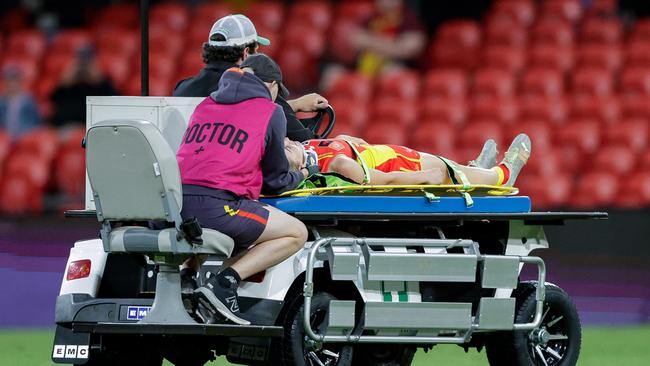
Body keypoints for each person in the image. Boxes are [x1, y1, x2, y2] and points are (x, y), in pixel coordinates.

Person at [176, 55, 318, 325]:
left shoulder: (206, 103)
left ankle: (186, 277)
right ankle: (224, 284)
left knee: (208, 220)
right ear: (273, 85)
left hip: (175, 204)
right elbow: (275, 182)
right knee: (296, 232)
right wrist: (303, 172)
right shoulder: (270, 110)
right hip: (216, 207)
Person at [173, 14, 328, 142]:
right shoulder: (254, 90)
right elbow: (304, 139)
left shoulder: (182, 88)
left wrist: (294, 105)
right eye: (256, 51)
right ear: (246, 53)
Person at [284, 134, 531, 187]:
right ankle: (502, 176)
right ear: (297, 166)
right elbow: (380, 180)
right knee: (446, 170)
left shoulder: (306, 147)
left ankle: (476, 170)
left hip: (388, 152)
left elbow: (348, 142)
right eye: (286, 149)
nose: (288, 141)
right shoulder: (337, 166)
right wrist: (419, 178)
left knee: (448, 167)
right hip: (396, 165)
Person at [50, 45, 116, 127]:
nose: (84, 67)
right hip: (66, 124)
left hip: (92, 125)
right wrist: (65, 82)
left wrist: (100, 80)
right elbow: (53, 100)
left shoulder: (101, 82)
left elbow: (113, 101)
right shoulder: (68, 83)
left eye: (88, 62)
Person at [0, 65, 41, 139]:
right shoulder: (1, 102)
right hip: (4, 141)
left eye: (15, 80)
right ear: (4, 82)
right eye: (9, 80)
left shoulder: (29, 101)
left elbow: (35, 124)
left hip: (24, 139)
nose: (12, 84)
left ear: (20, 82)